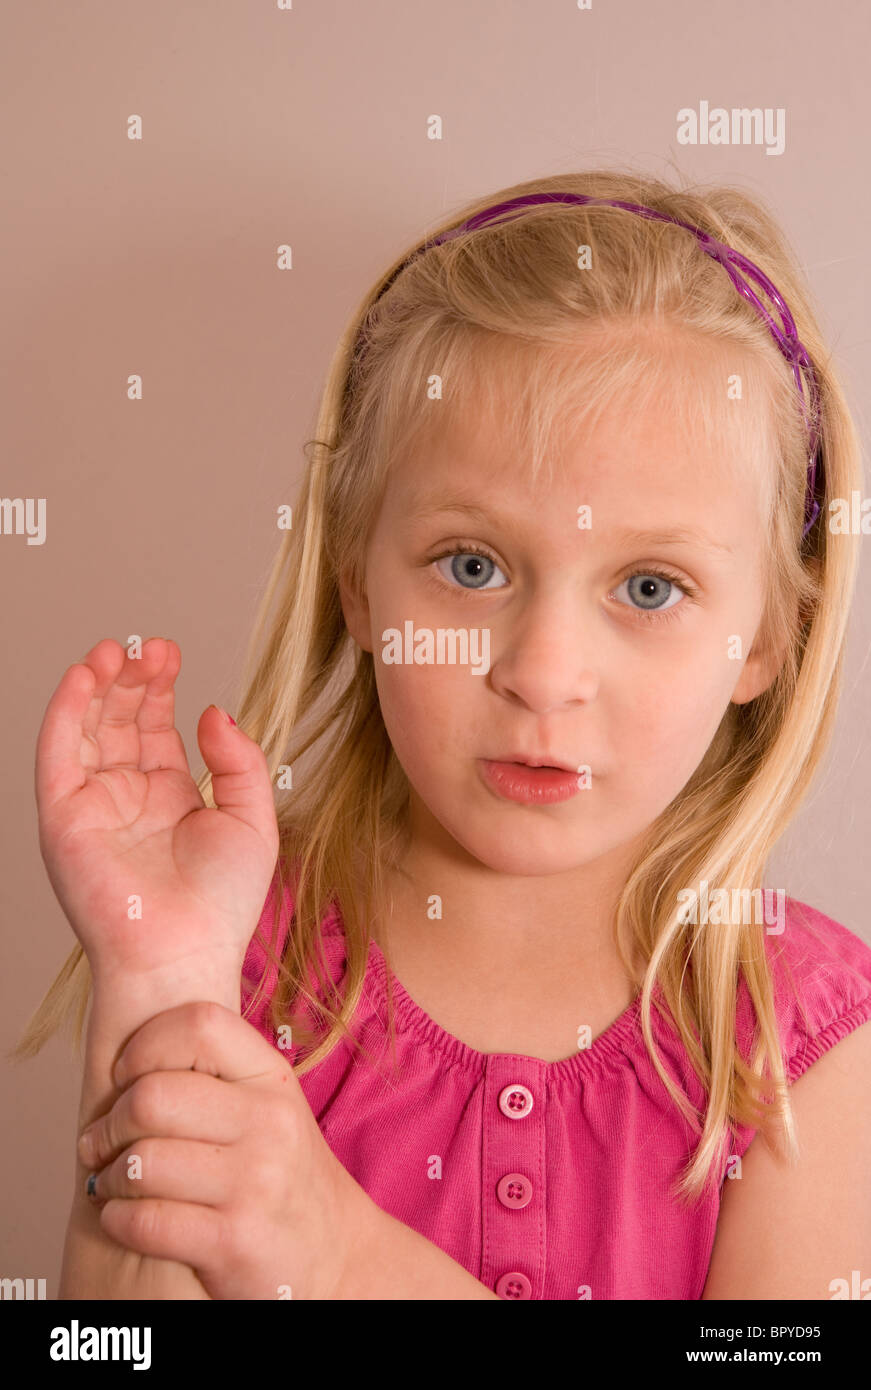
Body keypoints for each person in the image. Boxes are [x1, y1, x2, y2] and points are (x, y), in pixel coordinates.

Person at [18, 169, 871, 1300]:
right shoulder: (239, 963)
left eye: (651, 588)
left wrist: (339, 1257)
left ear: (766, 636)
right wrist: (162, 984)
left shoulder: (794, 1045)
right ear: (354, 584)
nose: (542, 674)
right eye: (471, 567)